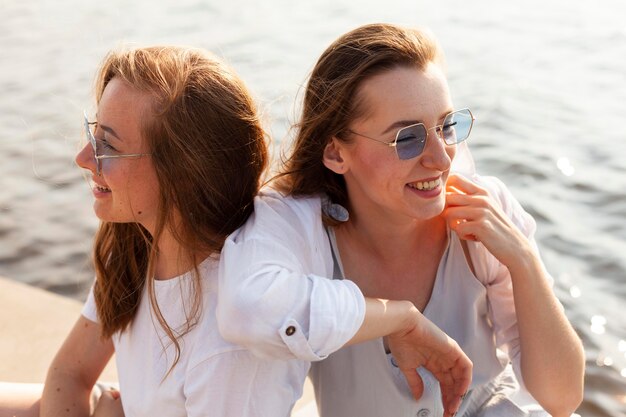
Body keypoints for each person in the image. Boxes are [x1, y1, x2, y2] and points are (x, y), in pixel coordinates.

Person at [0, 44, 472, 417]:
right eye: (93, 132)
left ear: (180, 174)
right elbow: (70, 373)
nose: (84, 158)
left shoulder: (227, 354)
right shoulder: (138, 248)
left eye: (107, 145)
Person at [218, 23, 585, 417]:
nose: (441, 159)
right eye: (407, 138)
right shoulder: (297, 224)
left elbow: (561, 398)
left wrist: (524, 260)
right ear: (336, 154)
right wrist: (398, 320)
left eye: (446, 126)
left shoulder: (484, 211)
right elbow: (247, 310)